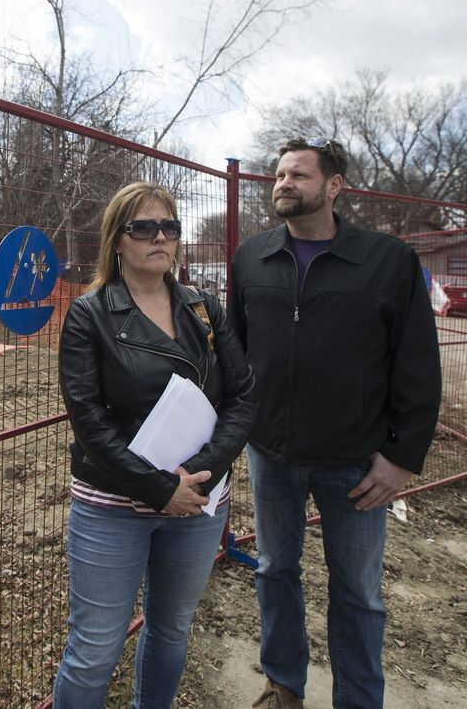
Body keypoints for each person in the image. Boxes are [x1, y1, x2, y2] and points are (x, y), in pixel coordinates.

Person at [228, 138, 442, 709]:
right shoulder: (250, 258)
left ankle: (357, 699)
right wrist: (234, 431)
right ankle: (283, 688)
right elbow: (235, 355)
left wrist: (401, 457)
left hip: (357, 461)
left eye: (298, 174)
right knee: (275, 571)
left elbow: (419, 366)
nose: (283, 184)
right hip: (271, 455)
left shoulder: (387, 260)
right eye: (277, 175)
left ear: (334, 185)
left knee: (358, 595)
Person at [53, 182, 256, 708]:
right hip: (113, 508)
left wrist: (202, 472)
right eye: (144, 227)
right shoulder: (90, 314)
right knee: (94, 648)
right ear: (116, 240)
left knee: (170, 630)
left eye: (169, 226)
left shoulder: (204, 308)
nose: (159, 237)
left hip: (197, 502)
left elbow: (243, 395)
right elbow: (89, 423)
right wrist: (159, 487)